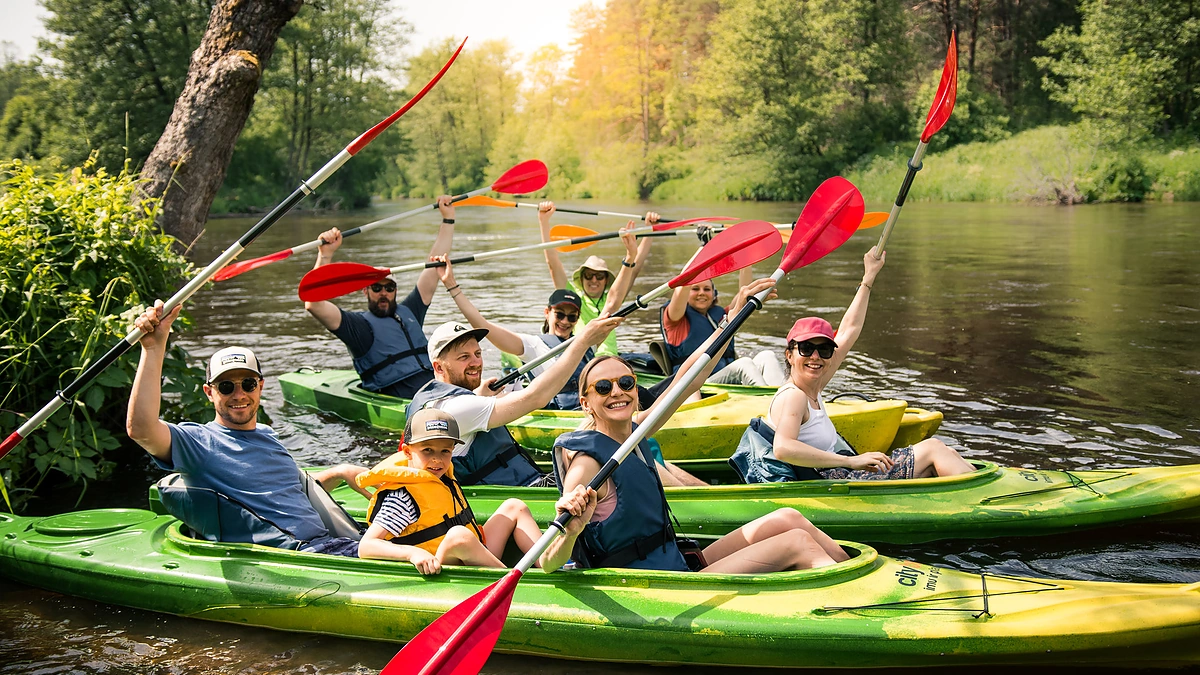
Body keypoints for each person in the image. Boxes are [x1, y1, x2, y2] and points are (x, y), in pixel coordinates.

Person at [539, 278, 849, 574]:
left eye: (625, 383)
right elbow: (549, 561)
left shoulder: (634, 433)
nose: (617, 391)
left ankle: (854, 572)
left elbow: (692, 377)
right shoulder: (587, 464)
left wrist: (737, 314)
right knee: (797, 544)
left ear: (635, 390)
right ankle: (853, 610)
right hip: (651, 581)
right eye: (603, 388)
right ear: (585, 402)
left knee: (788, 518)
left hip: (672, 559)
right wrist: (571, 530)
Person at [126, 300, 370, 556]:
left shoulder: (267, 436)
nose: (239, 395)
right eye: (227, 387)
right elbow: (141, 429)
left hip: (336, 544)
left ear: (261, 386)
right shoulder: (197, 442)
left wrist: (340, 472)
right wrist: (153, 348)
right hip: (308, 555)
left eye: (248, 384)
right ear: (210, 393)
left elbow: (285, 491)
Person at [734, 248, 975, 482]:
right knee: (933, 449)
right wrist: (851, 462)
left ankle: (983, 486)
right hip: (837, 480)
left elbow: (849, 329)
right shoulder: (794, 396)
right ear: (789, 355)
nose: (816, 357)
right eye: (806, 349)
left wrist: (868, 276)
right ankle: (983, 500)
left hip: (841, 474)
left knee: (943, 453)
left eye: (825, 350)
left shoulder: (814, 385)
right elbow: (783, 448)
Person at [406, 315, 621, 487]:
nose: (475, 363)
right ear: (439, 367)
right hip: (518, 492)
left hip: (522, 482)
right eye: (464, 357)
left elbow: (465, 411)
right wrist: (582, 342)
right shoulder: (455, 409)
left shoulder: (441, 401)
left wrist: (478, 396)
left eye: (477, 353)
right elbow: (537, 396)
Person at [356, 408, 559, 574]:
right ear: (408, 451)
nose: (437, 459)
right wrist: (412, 554)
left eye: (445, 451)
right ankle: (512, 581)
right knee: (458, 536)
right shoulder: (402, 497)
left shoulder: (443, 477)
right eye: (427, 450)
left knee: (514, 506)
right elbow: (366, 547)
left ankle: (550, 564)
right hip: (444, 568)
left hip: (473, 553)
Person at [302, 196, 458, 399]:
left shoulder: (410, 311)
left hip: (436, 384)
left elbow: (435, 264)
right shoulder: (357, 327)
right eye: (376, 288)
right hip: (400, 395)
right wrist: (325, 255)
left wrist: (448, 219)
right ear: (365, 291)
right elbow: (313, 303)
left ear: (395, 290)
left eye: (389, 287)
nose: (384, 293)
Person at [538, 201, 655, 357]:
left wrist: (649, 230)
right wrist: (544, 221)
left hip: (610, 359)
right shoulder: (571, 298)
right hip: (582, 358)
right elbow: (553, 264)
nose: (594, 280)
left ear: (606, 280)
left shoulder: (612, 298)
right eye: (589, 275)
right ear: (581, 277)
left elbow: (634, 267)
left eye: (599, 276)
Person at [660, 267, 785, 387]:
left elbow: (745, 292)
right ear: (687, 293)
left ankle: (784, 396)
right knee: (744, 364)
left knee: (767, 356)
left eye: (707, 289)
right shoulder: (676, 320)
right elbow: (682, 287)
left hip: (726, 376)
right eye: (695, 289)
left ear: (714, 294)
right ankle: (769, 402)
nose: (701, 293)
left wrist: (746, 254)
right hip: (696, 384)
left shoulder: (722, 315)